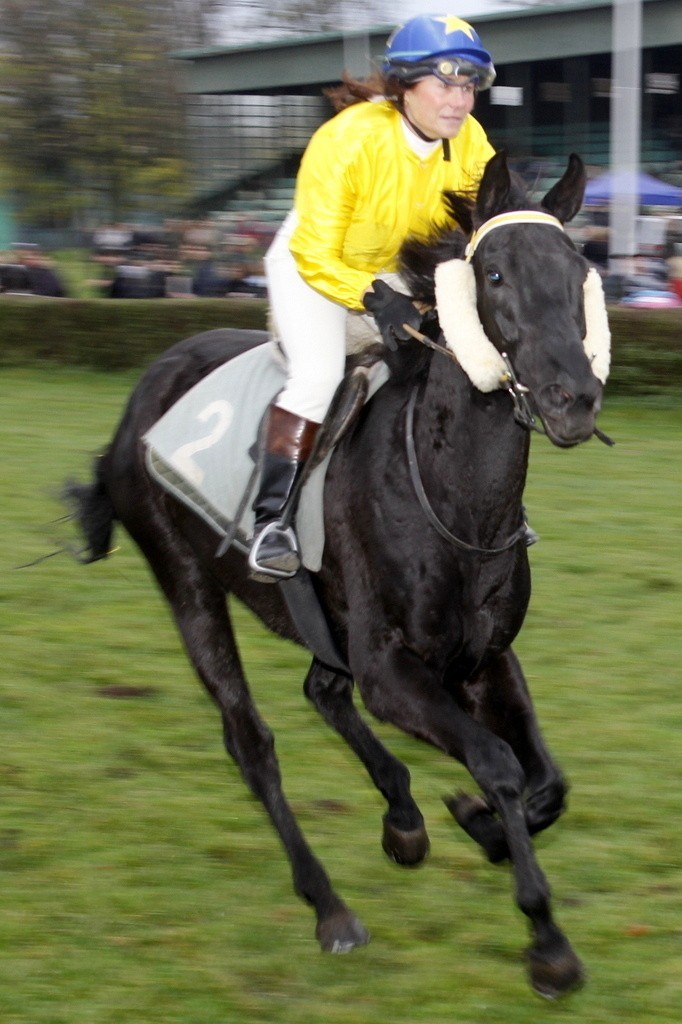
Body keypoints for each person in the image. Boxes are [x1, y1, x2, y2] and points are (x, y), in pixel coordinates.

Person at [249, 13, 497, 581]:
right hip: (311, 265)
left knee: (467, 360)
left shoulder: (472, 143)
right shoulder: (347, 139)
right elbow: (315, 252)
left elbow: (482, 229)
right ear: (405, 83)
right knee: (316, 377)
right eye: (445, 83)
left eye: (468, 86)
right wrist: (371, 296)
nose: (459, 100)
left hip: (397, 269)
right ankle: (272, 521)